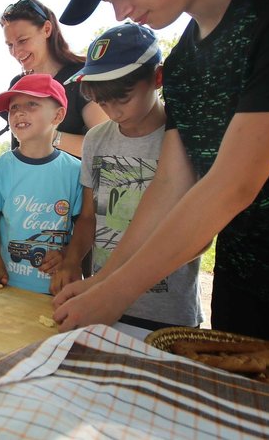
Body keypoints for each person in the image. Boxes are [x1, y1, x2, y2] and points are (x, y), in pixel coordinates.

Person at [53, 0, 269, 340]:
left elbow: (234, 183)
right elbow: (172, 184)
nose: (122, 12)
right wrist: (103, 280)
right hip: (242, 293)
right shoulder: (181, 67)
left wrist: (115, 294)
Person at [53, 23, 202, 330]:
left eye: (122, 98)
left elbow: (197, 236)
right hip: (100, 299)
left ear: (157, 78)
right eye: (101, 100)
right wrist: (71, 262)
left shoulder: (184, 138)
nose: (113, 111)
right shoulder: (96, 140)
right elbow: (89, 217)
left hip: (166, 312)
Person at [0, 74, 93, 294]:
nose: (19, 112)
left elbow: (85, 223)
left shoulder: (75, 171)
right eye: (13, 107)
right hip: (7, 286)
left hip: (56, 290)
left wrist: (69, 258)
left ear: (58, 115)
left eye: (32, 104)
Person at [0, 0, 108, 157]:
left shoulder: (83, 76)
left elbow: (103, 146)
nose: (16, 52)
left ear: (47, 29)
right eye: (10, 45)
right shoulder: (17, 84)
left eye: (22, 40)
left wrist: (50, 136)